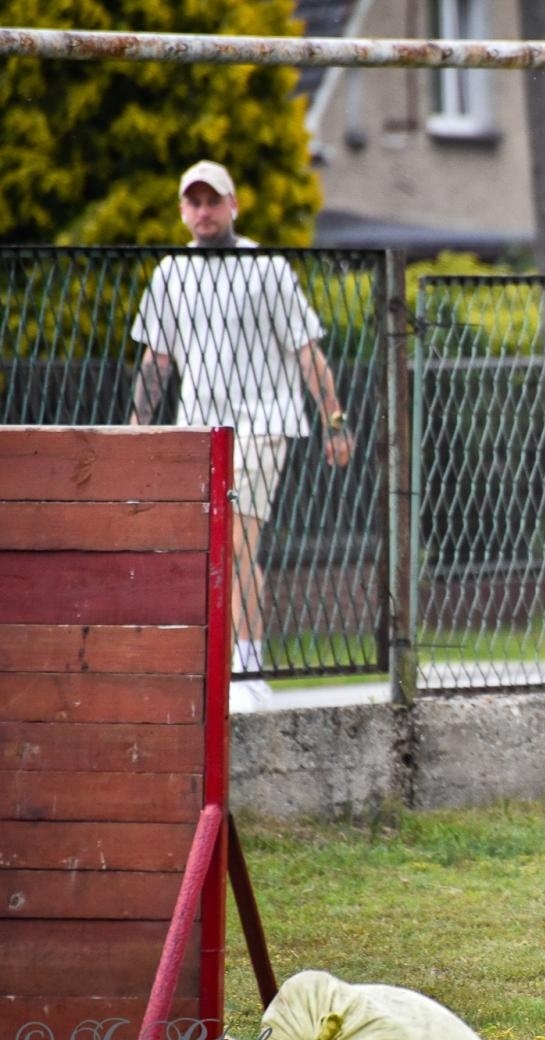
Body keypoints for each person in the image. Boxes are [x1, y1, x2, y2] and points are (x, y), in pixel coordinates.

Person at [128, 159, 353, 712]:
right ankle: (209, 664)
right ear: (183, 210)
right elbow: (156, 360)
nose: (204, 211)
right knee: (200, 549)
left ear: (233, 205)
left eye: (213, 200)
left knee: (236, 545)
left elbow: (307, 350)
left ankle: (248, 670)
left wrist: (336, 420)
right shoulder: (170, 273)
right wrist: (134, 430)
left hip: (261, 423)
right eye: (194, 202)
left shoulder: (267, 268)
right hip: (195, 427)